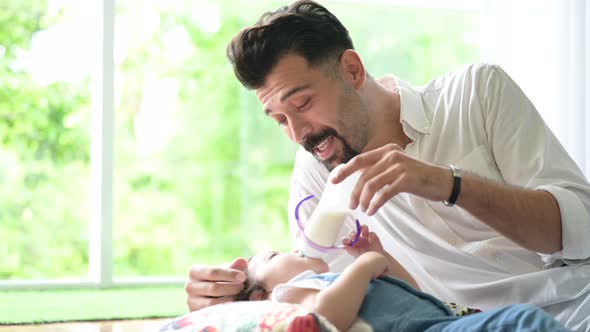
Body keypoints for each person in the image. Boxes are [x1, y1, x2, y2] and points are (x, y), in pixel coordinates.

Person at [185, 1, 590, 330]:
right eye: (278, 120)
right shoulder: (314, 174)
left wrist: (447, 183)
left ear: (352, 70)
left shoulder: (475, 94)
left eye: (302, 104)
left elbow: (580, 232)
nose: (297, 133)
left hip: (574, 310)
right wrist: (230, 298)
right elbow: (335, 305)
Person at [237, 225, 571, 332]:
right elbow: (326, 316)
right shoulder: (285, 296)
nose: (290, 251)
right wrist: (365, 265)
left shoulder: (336, 281)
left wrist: (377, 255)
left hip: (436, 321)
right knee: (521, 321)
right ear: (258, 296)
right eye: (273, 256)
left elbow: (414, 296)